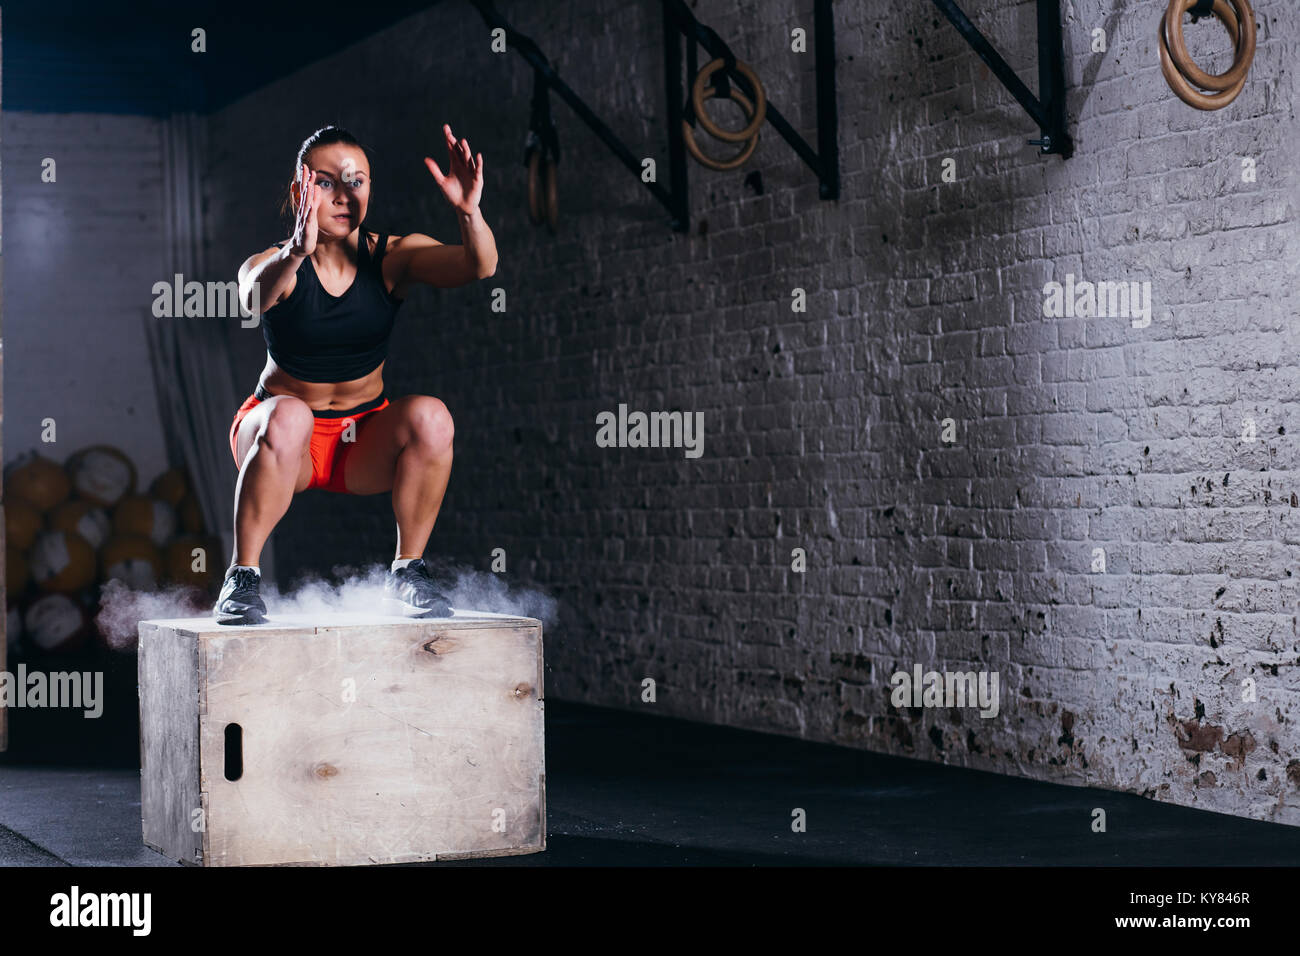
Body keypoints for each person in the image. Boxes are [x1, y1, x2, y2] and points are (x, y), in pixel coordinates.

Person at [215, 124, 497, 624]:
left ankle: (407, 572)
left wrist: (468, 212)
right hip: (278, 441)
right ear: (299, 189)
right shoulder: (271, 262)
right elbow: (252, 299)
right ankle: (242, 579)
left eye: (357, 181)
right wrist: (295, 253)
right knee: (290, 415)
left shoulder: (391, 257)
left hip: (358, 442)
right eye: (326, 182)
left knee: (433, 418)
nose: (345, 196)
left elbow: (480, 266)